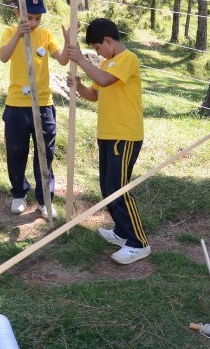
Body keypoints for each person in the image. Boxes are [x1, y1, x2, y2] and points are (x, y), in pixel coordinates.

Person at [67, 18, 150, 265]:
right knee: (107, 186)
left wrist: (81, 59)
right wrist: (79, 86)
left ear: (108, 40)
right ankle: (122, 232)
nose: (98, 53)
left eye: (98, 48)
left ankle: (138, 243)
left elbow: (104, 81)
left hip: (124, 135)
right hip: (107, 134)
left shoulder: (128, 59)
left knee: (118, 187)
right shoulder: (106, 64)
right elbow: (94, 93)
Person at [0, 0, 69, 219]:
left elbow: (62, 60)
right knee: (16, 151)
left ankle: (44, 199)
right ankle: (19, 194)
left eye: (38, 18)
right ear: (17, 13)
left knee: (44, 153)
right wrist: (19, 35)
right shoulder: (10, 32)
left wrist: (69, 40)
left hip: (43, 104)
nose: (33, 23)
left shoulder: (46, 34)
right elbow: (4, 56)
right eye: (29, 17)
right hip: (16, 104)